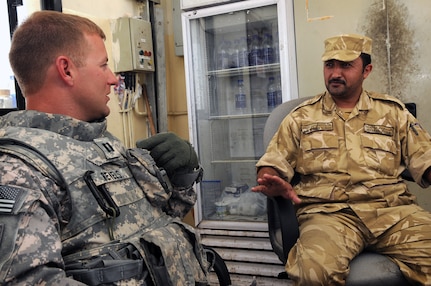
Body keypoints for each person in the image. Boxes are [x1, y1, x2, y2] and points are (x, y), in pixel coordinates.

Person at [0, 10, 207, 285]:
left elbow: (155, 224)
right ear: (66, 70)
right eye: (103, 65)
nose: (112, 78)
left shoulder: (102, 142)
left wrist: (181, 175)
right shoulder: (17, 169)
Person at [252, 33, 431, 285]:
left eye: (346, 65)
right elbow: (272, 163)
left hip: (392, 213)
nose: (335, 73)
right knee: (313, 273)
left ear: (366, 70)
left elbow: (426, 158)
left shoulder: (393, 113)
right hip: (328, 215)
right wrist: (270, 180)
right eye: (329, 65)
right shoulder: (301, 117)